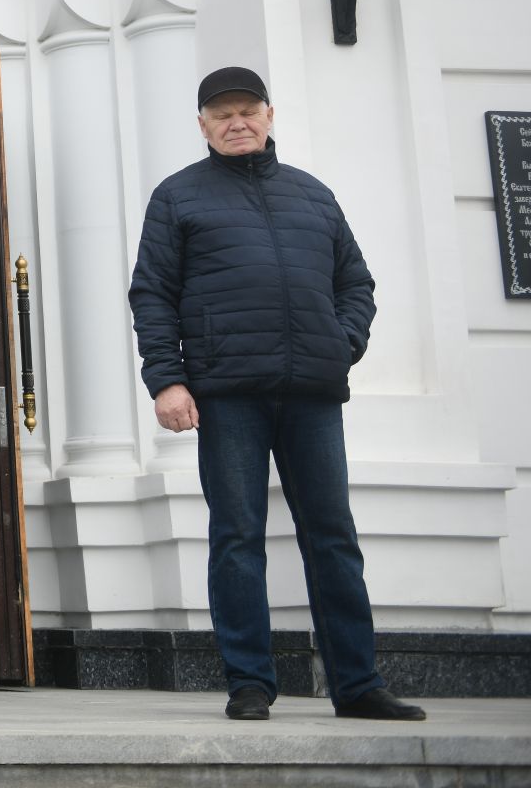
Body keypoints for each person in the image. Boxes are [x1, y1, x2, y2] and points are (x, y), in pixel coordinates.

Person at [129, 67, 425, 723]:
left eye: (247, 110)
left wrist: (338, 342)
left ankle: (357, 685)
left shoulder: (313, 196)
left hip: (312, 394)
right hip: (228, 393)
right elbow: (151, 294)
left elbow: (358, 285)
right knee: (238, 536)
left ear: (269, 114)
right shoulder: (177, 197)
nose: (236, 122)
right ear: (202, 124)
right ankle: (250, 683)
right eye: (220, 113)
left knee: (333, 537)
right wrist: (167, 380)